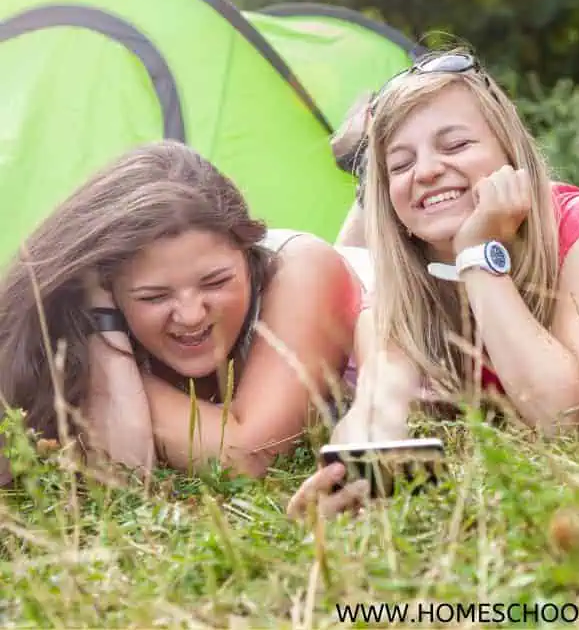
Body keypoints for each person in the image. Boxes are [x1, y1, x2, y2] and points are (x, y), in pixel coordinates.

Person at [288, 48, 579, 521]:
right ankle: (366, 174)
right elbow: (381, 402)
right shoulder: (400, 291)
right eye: (399, 165)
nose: (426, 171)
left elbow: (564, 420)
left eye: (455, 145)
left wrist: (478, 253)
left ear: (509, 150)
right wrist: (346, 473)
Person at [0, 142, 360, 476]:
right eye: (154, 297)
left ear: (247, 253)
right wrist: (96, 324)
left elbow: (246, 456)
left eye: (216, 282)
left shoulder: (300, 267)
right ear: (109, 289)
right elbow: (126, 471)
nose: (191, 315)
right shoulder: (97, 312)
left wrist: (71, 379)